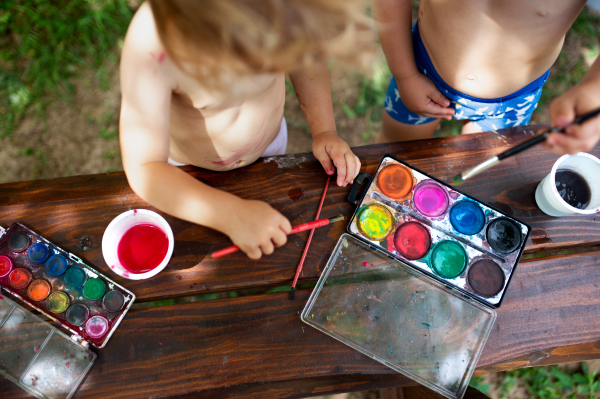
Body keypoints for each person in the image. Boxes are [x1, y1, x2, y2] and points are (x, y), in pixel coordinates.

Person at [119, 0, 365, 259]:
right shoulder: (154, 42)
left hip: (269, 148)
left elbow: (307, 61)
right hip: (187, 176)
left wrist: (324, 130)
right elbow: (145, 168)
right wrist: (230, 214)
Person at [372, 0, 600, 154]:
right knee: (393, 151)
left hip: (510, 102)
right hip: (420, 68)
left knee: (476, 179)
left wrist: (593, 88)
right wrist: (406, 75)